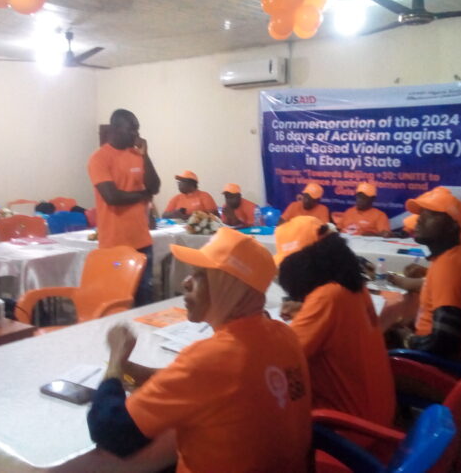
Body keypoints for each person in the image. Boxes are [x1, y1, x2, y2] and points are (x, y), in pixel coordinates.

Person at [87, 228, 312, 472]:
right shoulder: (284, 335)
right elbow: (212, 386)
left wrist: (115, 361)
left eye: (199, 275)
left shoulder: (210, 358)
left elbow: (112, 433)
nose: (185, 283)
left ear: (228, 286)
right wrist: (130, 371)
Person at [274, 216, 395, 426]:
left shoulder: (327, 298)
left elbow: (280, 358)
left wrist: (265, 328)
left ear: (305, 262)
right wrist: (306, 309)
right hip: (377, 411)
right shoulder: (351, 287)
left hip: (350, 429)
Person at [397, 189, 461, 361]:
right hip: (446, 354)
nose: (420, 219)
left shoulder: (449, 266)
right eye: (421, 214)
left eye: (431, 215)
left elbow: (444, 343)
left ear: (453, 226)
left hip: (438, 366)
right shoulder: (454, 257)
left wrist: (407, 338)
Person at [88, 109, 161, 307]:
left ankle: (144, 337)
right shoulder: (100, 158)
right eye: (131, 129)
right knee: (119, 299)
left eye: (137, 129)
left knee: (144, 297)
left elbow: (155, 186)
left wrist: (146, 155)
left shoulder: (137, 155)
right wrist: (142, 196)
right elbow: (112, 197)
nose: (136, 134)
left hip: (142, 240)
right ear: (115, 129)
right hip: (114, 243)